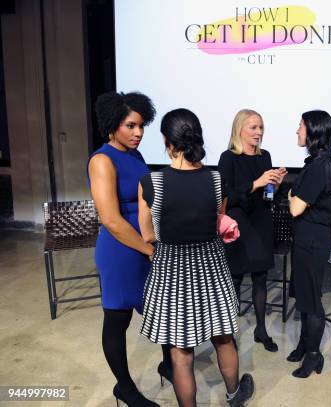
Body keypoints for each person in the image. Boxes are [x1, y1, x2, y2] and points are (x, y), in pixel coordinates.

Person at [138, 108, 254, 407]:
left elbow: (147, 234)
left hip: (170, 271)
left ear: (167, 141)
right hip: (211, 267)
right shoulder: (215, 179)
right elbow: (218, 219)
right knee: (223, 338)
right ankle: (233, 395)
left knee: (181, 352)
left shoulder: (151, 182)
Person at [87, 91, 162, 407]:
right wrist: (148, 249)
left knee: (160, 313)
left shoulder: (136, 155)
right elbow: (112, 220)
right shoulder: (102, 160)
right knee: (117, 321)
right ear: (112, 124)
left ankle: (170, 365)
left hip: (144, 244)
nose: (138, 133)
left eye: (141, 125)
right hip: (120, 250)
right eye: (131, 126)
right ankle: (125, 388)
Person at [218, 109, 287, 352]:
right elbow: (226, 195)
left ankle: (261, 330)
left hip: (261, 221)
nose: (258, 133)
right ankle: (230, 334)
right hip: (237, 224)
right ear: (240, 129)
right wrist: (256, 183)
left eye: (261, 128)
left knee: (260, 278)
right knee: (235, 278)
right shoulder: (228, 158)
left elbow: (267, 198)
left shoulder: (264, 156)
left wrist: (274, 187)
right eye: (253, 127)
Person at [287, 110, 331, 378]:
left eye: (300, 126)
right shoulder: (317, 162)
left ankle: (313, 356)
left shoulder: (320, 166)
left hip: (312, 241)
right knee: (305, 296)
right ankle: (303, 345)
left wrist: (290, 195)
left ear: (314, 132)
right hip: (307, 238)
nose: (297, 131)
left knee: (312, 300)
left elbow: (295, 208)